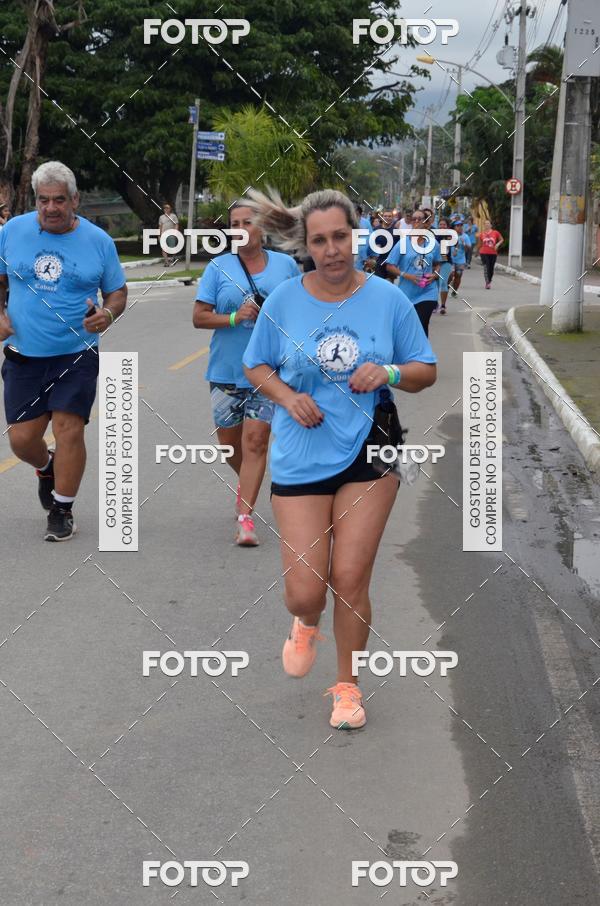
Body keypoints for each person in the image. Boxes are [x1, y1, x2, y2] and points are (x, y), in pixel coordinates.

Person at [242, 188, 437, 730]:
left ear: (357, 237)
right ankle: (305, 622)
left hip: (370, 448)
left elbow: (426, 369)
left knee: (350, 577)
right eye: (320, 240)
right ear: (307, 245)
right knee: (307, 590)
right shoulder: (283, 301)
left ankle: (347, 687)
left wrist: (390, 373)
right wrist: (288, 397)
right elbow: (257, 365)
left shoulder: (387, 299)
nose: (332, 250)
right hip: (303, 454)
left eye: (341, 237)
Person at [0, 161, 127, 541]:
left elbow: (117, 292)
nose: (51, 208)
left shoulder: (98, 241)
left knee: (69, 428)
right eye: (43, 200)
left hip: (76, 351)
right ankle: (46, 467)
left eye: (59, 200)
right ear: (35, 201)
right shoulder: (13, 232)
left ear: (75, 200)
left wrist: (107, 313)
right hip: (24, 353)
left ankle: (62, 507)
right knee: (21, 440)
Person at [192, 201, 299, 546]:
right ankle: (248, 485)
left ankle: (245, 518)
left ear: (261, 227)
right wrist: (236, 318)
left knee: (256, 442)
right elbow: (199, 317)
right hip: (225, 370)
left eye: (247, 222)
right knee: (230, 446)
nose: (240, 228)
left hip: (269, 371)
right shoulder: (218, 267)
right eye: (234, 223)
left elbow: (303, 309)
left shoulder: (285, 266)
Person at [384, 210, 441, 336]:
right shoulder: (403, 243)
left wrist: (435, 274)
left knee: (421, 323)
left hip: (428, 292)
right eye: (414, 219)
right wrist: (406, 275)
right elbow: (390, 266)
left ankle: (423, 354)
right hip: (407, 293)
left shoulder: (433, 244)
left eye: (420, 219)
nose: (416, 221)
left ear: (426, 223)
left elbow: (438, 263)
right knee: (408, 328)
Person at [478, 219, 504, 289]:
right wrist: (478, 252)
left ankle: (489, 281)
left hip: (493, 253)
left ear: (491, 225)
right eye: (485, 224)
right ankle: (487, 282)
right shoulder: (481, 234)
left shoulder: (495, 233)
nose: (486, 225)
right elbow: (480, 244)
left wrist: (497, 244)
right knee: (486, 267)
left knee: (491, 268)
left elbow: (501, 239)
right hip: (483, 252)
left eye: (488, 224)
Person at [447, 220, 471, 295]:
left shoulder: (465, 236)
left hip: (460, 260)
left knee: (458, 276)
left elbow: (469, 249)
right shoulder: (450, 236)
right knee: (450, 275)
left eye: (461, 226)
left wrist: (464, 244)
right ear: (454, 227)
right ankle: (446, 289)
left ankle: (454, 291)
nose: (460, 227)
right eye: (457, 226)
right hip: (450, 259)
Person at [436, 217, 453, 315]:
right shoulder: (435, 236)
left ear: (447, 226)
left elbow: (455, 246)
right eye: (440, 224)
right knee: (436, 284)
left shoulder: (450, 236)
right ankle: (435, 303)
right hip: (435, 263)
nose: (442, 226)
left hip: (446, 262)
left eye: (444, 224)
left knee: (443, 283)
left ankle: (443, 305)